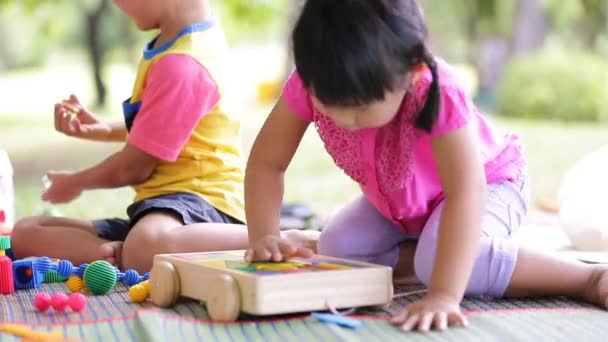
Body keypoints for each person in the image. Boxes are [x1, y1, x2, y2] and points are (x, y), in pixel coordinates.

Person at [243, 0, 608, 332]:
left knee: (437, 265)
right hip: (400, 205)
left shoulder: (438, 90)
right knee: (339, 248)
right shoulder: (312, 80)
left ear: (411, 71)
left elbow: (467, 191)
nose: (343, 118)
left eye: (359, 107)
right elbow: (266, 163)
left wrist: (445, 295)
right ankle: (431, 256)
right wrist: (263, 235)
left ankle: (586, 278)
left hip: (489, 187)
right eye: (327, 102)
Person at [11, 0, 313, 274]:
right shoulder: (181, 42)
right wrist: (103, 129)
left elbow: (135, 166)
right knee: (26, 231)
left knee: (146, 243)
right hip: (162, 211)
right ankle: (111, 255)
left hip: (203, 206)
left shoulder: (183, 64)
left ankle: (274, 238)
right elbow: (163, 125)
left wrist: (75, 182)